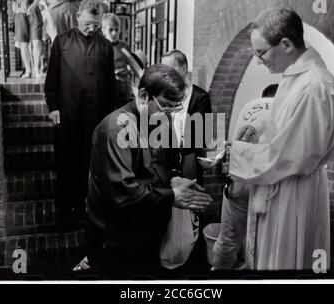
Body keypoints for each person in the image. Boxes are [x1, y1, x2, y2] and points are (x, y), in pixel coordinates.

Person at [218, 7, 334, 270]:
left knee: (284, 263)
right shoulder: (297, 80)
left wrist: (238, 154)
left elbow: (288, 156)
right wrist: (261, 135)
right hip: (285, 185)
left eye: (260, 52)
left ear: (286, 44)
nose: (258, 61)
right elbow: (291, 136)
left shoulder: (313, 87)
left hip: (292, 196)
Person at [84, 64, 212, 277]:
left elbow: (168, 163)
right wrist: (172, 195)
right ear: (144, 95)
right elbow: (122, 192)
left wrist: (174, 179)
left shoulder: (161, 120)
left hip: (148, 230)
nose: (170, 114)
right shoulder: (116, 128)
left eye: (175, 108)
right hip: (116, 238)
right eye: (166, 106)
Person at [44, 0, 117, 222]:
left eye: (96, 25)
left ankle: (90, 210)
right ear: (77, 18)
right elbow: (52, 79)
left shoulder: (105, 47)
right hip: (67, 114)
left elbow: (110, 86)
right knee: (67, 164)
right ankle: (66, 212)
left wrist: (111, 117)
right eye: (87, 23)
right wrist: (53, 107)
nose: (91, 28)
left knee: (93, 165)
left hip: (96, 117)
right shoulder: (61, 42)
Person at [212, 84, 277, 270]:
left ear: (263, 96)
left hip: (240, 181)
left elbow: (234, 145)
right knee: (263, 244)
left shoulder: (249, 108)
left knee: (228, 239)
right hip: (268, 185)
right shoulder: (285, 112)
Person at [160, 50, 212, 185]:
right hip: (163, 163)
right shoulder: (160, 97)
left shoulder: (200, 97)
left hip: (189, 164)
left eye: (170, 69)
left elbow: (202, 136)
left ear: (184, 69)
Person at [12, 0, 47, 78]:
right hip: (19, 10)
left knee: (37, 41)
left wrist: (33, 6)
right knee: (23, 43)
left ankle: (37, 70)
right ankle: (28, 70)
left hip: (33, 9)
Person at [101, 13, 135, 106]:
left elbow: (131, 65)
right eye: (110, 30)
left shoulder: (124, 46)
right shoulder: (100, 47)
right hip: (108, 90)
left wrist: (130, 69)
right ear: (103, 30)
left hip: (125, 89)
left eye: (116, 29)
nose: (114, 33)